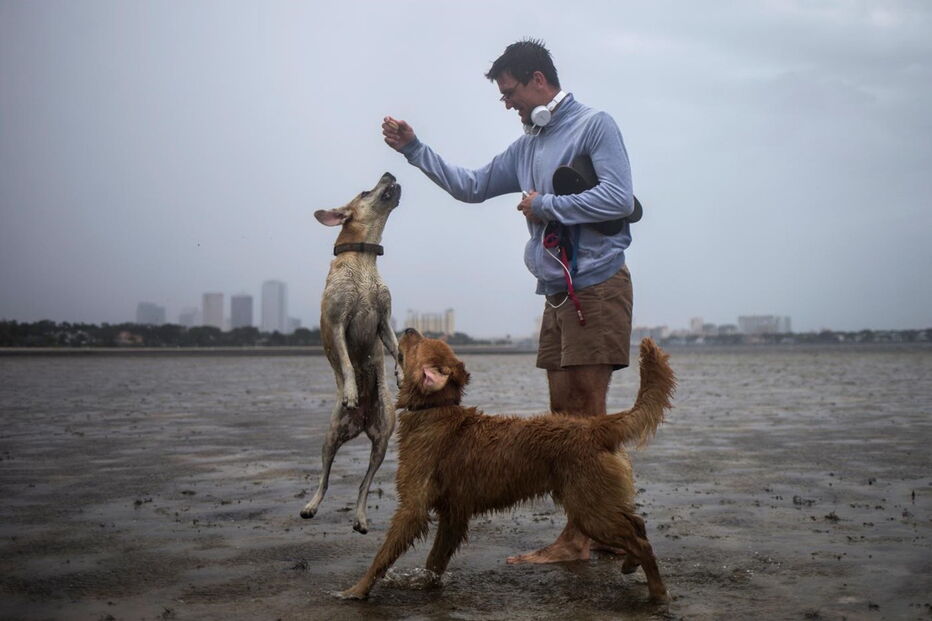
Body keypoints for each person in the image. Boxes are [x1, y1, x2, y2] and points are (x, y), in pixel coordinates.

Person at [382, 39, 635, 565]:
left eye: (510, 91)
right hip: (556, 293)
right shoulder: (526, 147)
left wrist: (546, 203)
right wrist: (414, 149)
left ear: (539, 81)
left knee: (586, 418)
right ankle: (600, 529)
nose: (507, 103)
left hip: (597, 285)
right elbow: (471, 186)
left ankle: (582, 538)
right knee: (562, 420)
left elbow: (619, 197)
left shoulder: (595, 125)